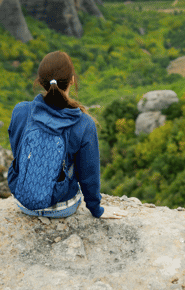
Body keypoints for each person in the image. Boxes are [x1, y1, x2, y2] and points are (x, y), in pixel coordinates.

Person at [7, 51, 123, 219]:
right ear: (72, 80)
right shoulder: (83, 124)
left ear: (40, 82)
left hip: (24, 204)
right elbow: (88, 175)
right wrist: (97, 210)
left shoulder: (20, 111)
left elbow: (18, 151)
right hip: (62, 207)